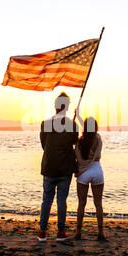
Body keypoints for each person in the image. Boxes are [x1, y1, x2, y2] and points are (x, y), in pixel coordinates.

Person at [38, 92, 78, 242]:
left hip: (49, 166)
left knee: (46, 199)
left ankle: (42, 232)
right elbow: (75, 142)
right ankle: (60, 232)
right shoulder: (72, 125)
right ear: (66, 107)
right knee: (62, 199)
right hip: (65, 168)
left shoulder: (45, 123)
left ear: (55, 106)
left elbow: (44, 144)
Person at [73, 116, 105, 241]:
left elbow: (77, 158)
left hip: (83, 173)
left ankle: (78, 232)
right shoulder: (98, 139)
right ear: (96, 127)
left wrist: (78, 117)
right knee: (98, 203)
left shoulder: (79, 142)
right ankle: (101, 232)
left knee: (82, 203)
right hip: (97, 170)